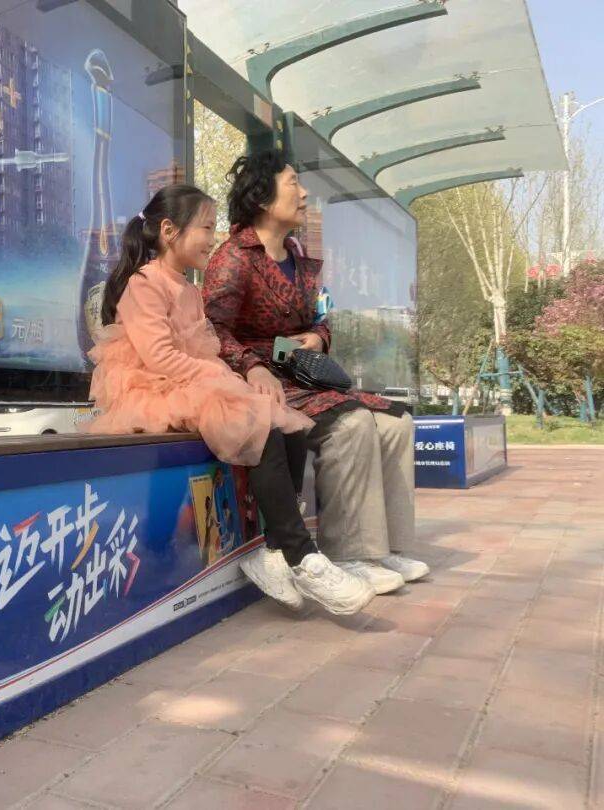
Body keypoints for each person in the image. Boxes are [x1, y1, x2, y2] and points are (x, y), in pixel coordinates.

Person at [87, 184, 374, 615]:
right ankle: (303, 557)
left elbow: (204, 349)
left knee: (288, 424)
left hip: (191, 380)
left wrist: (229, 375)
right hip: (156, 386)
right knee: (257, 425)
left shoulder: (188, 287)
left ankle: (275, 552)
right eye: (205, 228)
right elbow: (160, 357)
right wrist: (220, 377)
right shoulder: (144, 284)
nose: (212, 237)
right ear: (169, 231)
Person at [202, 151, 430, 594]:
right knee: (352, 424)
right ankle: (348, 553)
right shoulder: (234, 256)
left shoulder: (298, 255)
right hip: (263, 384)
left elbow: (321, 319)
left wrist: (319, 338)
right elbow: (211, 329)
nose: (304, 194)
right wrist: (251, 365)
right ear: (263, 197)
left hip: (305, 378)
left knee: (397, 424)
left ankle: (385, 548)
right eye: (293, 183)